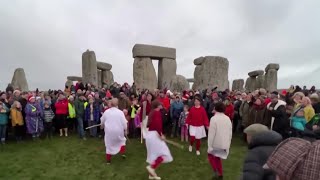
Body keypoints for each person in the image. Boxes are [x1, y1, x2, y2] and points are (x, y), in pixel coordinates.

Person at [145, 100, 173, 180]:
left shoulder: (152, 112)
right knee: (164, 153)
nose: (162, 105)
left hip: (150, 135)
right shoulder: (157, 113)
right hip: (155, 135)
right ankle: (152, 168)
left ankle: (151, 175)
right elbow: (157, 125)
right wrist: (161, 135)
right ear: (157, 106)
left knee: (154, 155)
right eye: (160, 104)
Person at [207, 102, 233, 179]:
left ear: (216, 108)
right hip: (225, 142)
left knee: (211, 156)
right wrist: (228, 142)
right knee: (217, 158)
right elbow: (230, 132)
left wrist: (210, 146)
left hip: (216, 143)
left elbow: (211, 134)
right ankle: (220, 173)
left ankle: (216, 171)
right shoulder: (227, 118)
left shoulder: (214, 119)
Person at [100, 98, 127, 164]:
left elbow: (102, 121)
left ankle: (108, 161)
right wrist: (125, 129)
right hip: (118, 131)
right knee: (121, 140)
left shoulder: (106, 112)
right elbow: (124, 123)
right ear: (117, 104)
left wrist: (102, 126)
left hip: (109, 131)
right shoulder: (120, 112)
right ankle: (122, 153)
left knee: (109, 144)